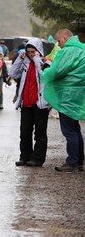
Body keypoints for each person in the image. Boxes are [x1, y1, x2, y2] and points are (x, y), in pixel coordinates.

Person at [41, 29, 85, 172]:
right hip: (78, 95)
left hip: (68, 96)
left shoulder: (69, 51)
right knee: (75, 129)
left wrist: (45, 71)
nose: (58, 46)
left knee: (69, 130)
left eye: (59, 41)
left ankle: (72, 162)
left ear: (65, 38)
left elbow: (57, 71)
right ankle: (79, 161)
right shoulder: (82, 49)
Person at [9, 38, 51, 167]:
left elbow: (44, 76)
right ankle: (25, 156)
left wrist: (37, 60)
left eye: (33, 51)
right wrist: (20, 59)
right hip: (26, 102)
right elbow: (12, 73)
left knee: (40, 133)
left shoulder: (46, 62)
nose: (31, 54)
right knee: (25, 131)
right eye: (29, 52)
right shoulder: (24, 62)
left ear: (39, 51)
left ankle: (38, 158)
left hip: (40, 103)